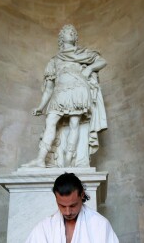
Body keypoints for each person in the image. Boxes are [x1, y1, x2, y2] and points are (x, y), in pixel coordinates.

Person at [22, 24, 107, 168]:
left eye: (74, 32)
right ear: (62, 37)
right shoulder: (54, 60)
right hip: (60, 93)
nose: (72, 33)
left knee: (75, 124)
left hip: (78, 91)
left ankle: (69, 159)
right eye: (69, 32)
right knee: (50, 121)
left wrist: (90, 68)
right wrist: (41, 107)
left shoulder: (83, 53)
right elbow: (49, 89)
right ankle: (40, 159)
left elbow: (102, 61)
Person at [25, 173, 119, 243]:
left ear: (82, 195)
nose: (67, 212)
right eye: (62, 206)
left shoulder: (100, 225)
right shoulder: (44, 228)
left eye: (72, 206)